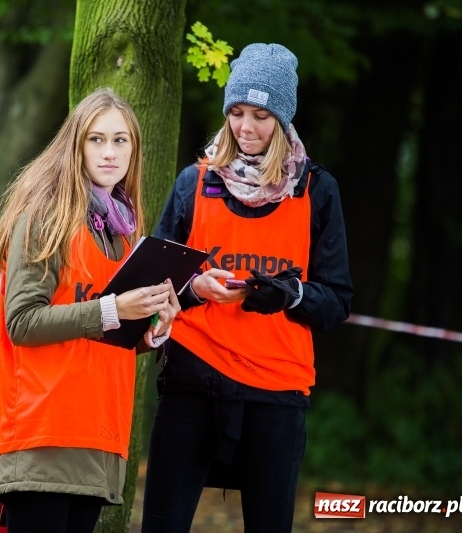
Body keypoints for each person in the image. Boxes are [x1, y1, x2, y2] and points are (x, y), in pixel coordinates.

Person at [141, 43, 354, 533]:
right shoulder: (195, 183)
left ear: (282, 118)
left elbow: (337, 301)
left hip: (276, 392)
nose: (245, 128)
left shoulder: (317, 190)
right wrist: (195, 289)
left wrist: (290, 294)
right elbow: (151, 288)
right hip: (192, 382)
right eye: (236, 113)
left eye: (260, 116)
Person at [0, 86, 181, 533]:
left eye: (120, 140)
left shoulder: (122, 229)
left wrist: (152, 328)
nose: (109, 152)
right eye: (97, 139)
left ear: (134, 149)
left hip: (97, 436)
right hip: (43, 433)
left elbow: (107, 333)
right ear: (76, 145)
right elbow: (22, 322)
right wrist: (112, 308)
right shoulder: (45, 214)